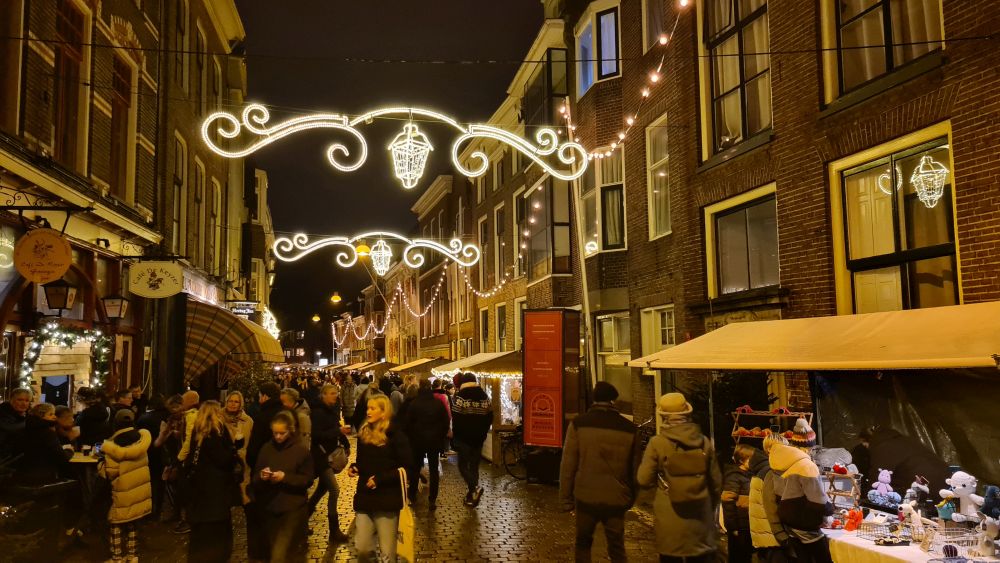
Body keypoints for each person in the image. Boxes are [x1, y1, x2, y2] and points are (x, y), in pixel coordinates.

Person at [558, 382, 638, 563]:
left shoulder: (579, 424)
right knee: (617, 546)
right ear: (613, 400)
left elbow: (568, 464)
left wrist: (565, 499)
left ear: (594, 399)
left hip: (586, 495)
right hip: (616, 498)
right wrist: (631, 498)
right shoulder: (629, 429)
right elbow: (635, 468)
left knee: (583, 543)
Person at [637, 393, 722, 563]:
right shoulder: (704, 442)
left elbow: (643, 479)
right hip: (700, 519)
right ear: (687, 414)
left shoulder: (657, 443)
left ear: (663, 417)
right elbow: (717, 483)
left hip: (669, 517)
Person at [349, 394, 411, 563]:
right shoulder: (364, 433)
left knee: (387, 552)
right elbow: (362, 461)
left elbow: (407, 466)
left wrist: (380, 479)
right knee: (361, 547)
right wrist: (355, 467)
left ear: (383, 412)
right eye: (368, 408)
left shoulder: (396, 435)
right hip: (365, 496)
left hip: (387, 498)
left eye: (372, 408)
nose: (368, 412)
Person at [252, 410, 314, 563]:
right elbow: (255, 478)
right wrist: (262, 476)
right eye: (275, 433)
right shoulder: (267, 449)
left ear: (291, 430)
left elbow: (307, 480)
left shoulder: (300, 451)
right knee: (278, 550)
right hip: (271, 508)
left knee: (281, 554)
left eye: (282, 433)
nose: (278, 437)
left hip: (293, 509)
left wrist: (285, 478)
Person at [186, 401, 240, 562]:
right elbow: (223, 459)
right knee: (217, 533)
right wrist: (234, 449)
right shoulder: (217, 433)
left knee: (201, 532)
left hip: (199, 492)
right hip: (216, 491)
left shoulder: (198, 433)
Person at [98, 408, 152, 563]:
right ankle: (132, 555)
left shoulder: (113, 445)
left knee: (116, 521)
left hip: (122, 490)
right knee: (133, 521)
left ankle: (117, 557)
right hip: (139, 489)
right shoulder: (142, 440)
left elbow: (109, 473)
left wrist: (100, 463)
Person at [769, 442, 833, 563]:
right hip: (806, 523)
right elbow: (818, 499)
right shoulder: (806, 466)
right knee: (823, 558)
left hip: (789, 523)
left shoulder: (781, 464)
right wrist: (830, 509)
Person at [246, 381, 287, 561]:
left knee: (263, 517)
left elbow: (253, 451)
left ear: (264, 396)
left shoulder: (262, 417)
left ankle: (263, 553)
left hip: (265, 473)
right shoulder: (288, 415)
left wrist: (255, 468)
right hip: (286, 473)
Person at [308, 384, 352, 544]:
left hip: (329, 454)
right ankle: (334, 531)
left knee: (321, 490)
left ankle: (302, 518)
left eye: (336, 393)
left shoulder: (331, 410)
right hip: (321, 456)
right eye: (332, 393)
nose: (336, 396)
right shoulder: (318, 412)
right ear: (323, 395)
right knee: (334, 489)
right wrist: (338, 433)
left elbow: (335, 427)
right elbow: (316, 435)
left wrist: (345, 442)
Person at [403, 378, 449, 510]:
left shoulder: (414, 404)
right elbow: (445, 422)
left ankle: (412, 495)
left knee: (415, 468)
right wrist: (440, 436)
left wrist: (412, 437)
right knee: (434, 471)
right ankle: (432, 499)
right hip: (434, 442)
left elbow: (408, 424)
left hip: (417, 442)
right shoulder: (438, 404)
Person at [451, 372, 492, 507]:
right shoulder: (484, 396)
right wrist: (484, 432)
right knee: (474, 467)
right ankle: (471, 496)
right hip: (479, 439)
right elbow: (490, 416)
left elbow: (456, 418)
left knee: (463, 466)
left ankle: (474, 488)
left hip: (464, 439)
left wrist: (456, 436)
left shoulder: (460, 397)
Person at [750, 435, 791, 563]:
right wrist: (781, 535)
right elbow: (771, 505)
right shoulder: (770, 471)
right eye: (784, 448)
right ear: (770, 449)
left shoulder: (761, 468)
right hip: (773, 538)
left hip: (764, 534)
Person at [13, 403, 72, 485]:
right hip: (43, 477)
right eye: (50, 414)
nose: (55, 417)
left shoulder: (24, 429)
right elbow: (61, 457)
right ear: (41, 416)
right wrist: (69, 451)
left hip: (21, 475)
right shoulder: (47, 433)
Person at [136, 395, 168, 520]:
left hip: (147, 452)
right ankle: (158, 509)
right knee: (159, 482)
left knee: (147, 482)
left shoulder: (143, 418)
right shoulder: (167, 416)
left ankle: (147, 510)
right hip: (162, 454)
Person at [723, 445, 756, 563]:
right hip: (739, 526)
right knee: (739, 557)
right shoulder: (734, 476)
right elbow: (727, 503)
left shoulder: (749, 474)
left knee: (747, 556)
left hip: (747, 523)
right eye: (750, 459)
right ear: (742, 460)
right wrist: (733, 527)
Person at [222, 391, 254, 506]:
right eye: (231, 401)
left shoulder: (248, 421)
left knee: (243, 497)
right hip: (224, 461)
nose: (233, 404)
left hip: (242, 462)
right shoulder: (219, 419)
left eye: (236, 401)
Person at [0, 388, 31, 455]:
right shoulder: (3, 411)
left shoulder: (26, 415)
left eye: (27, 400)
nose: (24, 404)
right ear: (11, 400)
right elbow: (10, 428)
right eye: (20, 400)